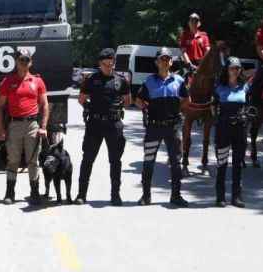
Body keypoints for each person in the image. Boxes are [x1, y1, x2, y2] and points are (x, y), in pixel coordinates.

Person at [75, 48, 131, 206]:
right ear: (100, 64)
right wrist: (88, 107)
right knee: (88, 159)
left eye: (111, 64)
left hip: (114, 124)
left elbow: (128, 101)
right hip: (95, 124)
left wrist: (119, 105)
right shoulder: (91, 80)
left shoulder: (121, 80)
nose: (108, 67)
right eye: (105, 64)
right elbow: (81, 99)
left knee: (115, 161)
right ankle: (81, 194)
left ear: (114, 62)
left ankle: (115, 195)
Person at [135, 48, 189, 207]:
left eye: (167, 59)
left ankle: (176, 196)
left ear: (171, 62)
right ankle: (146, 196)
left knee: (176, 162)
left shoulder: (179, 81)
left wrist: (176, 110)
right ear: (156, 62)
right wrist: (147, 108)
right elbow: (138, 100)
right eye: (161, 59)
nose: (165, 62)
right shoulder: (149, 81)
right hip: (154, 127)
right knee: (149, 161)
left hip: (173, 128)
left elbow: (187, 99)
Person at [0, 48, 49, 205]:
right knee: (13, 160)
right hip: (14, 125)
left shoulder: (37, 81)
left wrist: (43, 126)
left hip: (33, 124)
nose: (23, 63)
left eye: (26, 60)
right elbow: (0, 107)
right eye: (21, 60)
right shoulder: (7, 82)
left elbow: (45, 105)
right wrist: (1, 129)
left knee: (33, 161)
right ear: (16, 61)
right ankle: (9, 193)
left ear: (30, 62)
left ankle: (35, 192)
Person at [213, 57, 250, 208]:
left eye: (237, 68)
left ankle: (237, 196)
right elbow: (213, 107)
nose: (235, 71)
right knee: (222, 163)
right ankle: (220, 197)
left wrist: (248, 115)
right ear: (226, 70)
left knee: (238, 164)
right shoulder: (218, 87)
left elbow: (249, 105)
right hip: (223, 128)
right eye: (232, 68)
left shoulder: (245, 87)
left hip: (240, 129)